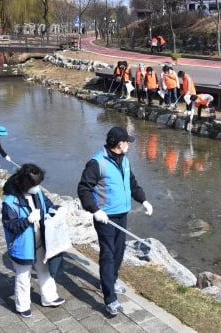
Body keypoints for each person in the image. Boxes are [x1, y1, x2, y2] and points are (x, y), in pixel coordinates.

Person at [77, 126, 153, 316]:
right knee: (108, 255)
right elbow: (84, 189)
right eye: (127, 141)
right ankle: (110, 298)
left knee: (119, 252)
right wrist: (95, 210)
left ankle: (110, 280)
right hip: (105, 218)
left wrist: (143, 200)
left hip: (122, 214)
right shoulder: (97, 163)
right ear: (120, 144)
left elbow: (132, 183)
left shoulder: (125, 160)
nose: (129, 144)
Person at [2, 164, 66, 318]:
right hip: (22, 246)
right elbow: (10, 225)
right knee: (23, 276)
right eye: (35, 184)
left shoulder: (37, 193)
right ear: (25, 184)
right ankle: (22, 305)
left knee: (45, 271)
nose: (38, 187)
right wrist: (27, 220)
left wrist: (56, 209)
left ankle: (49, 298)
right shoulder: (10, 201)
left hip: (41, 241)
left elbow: (48, 204)